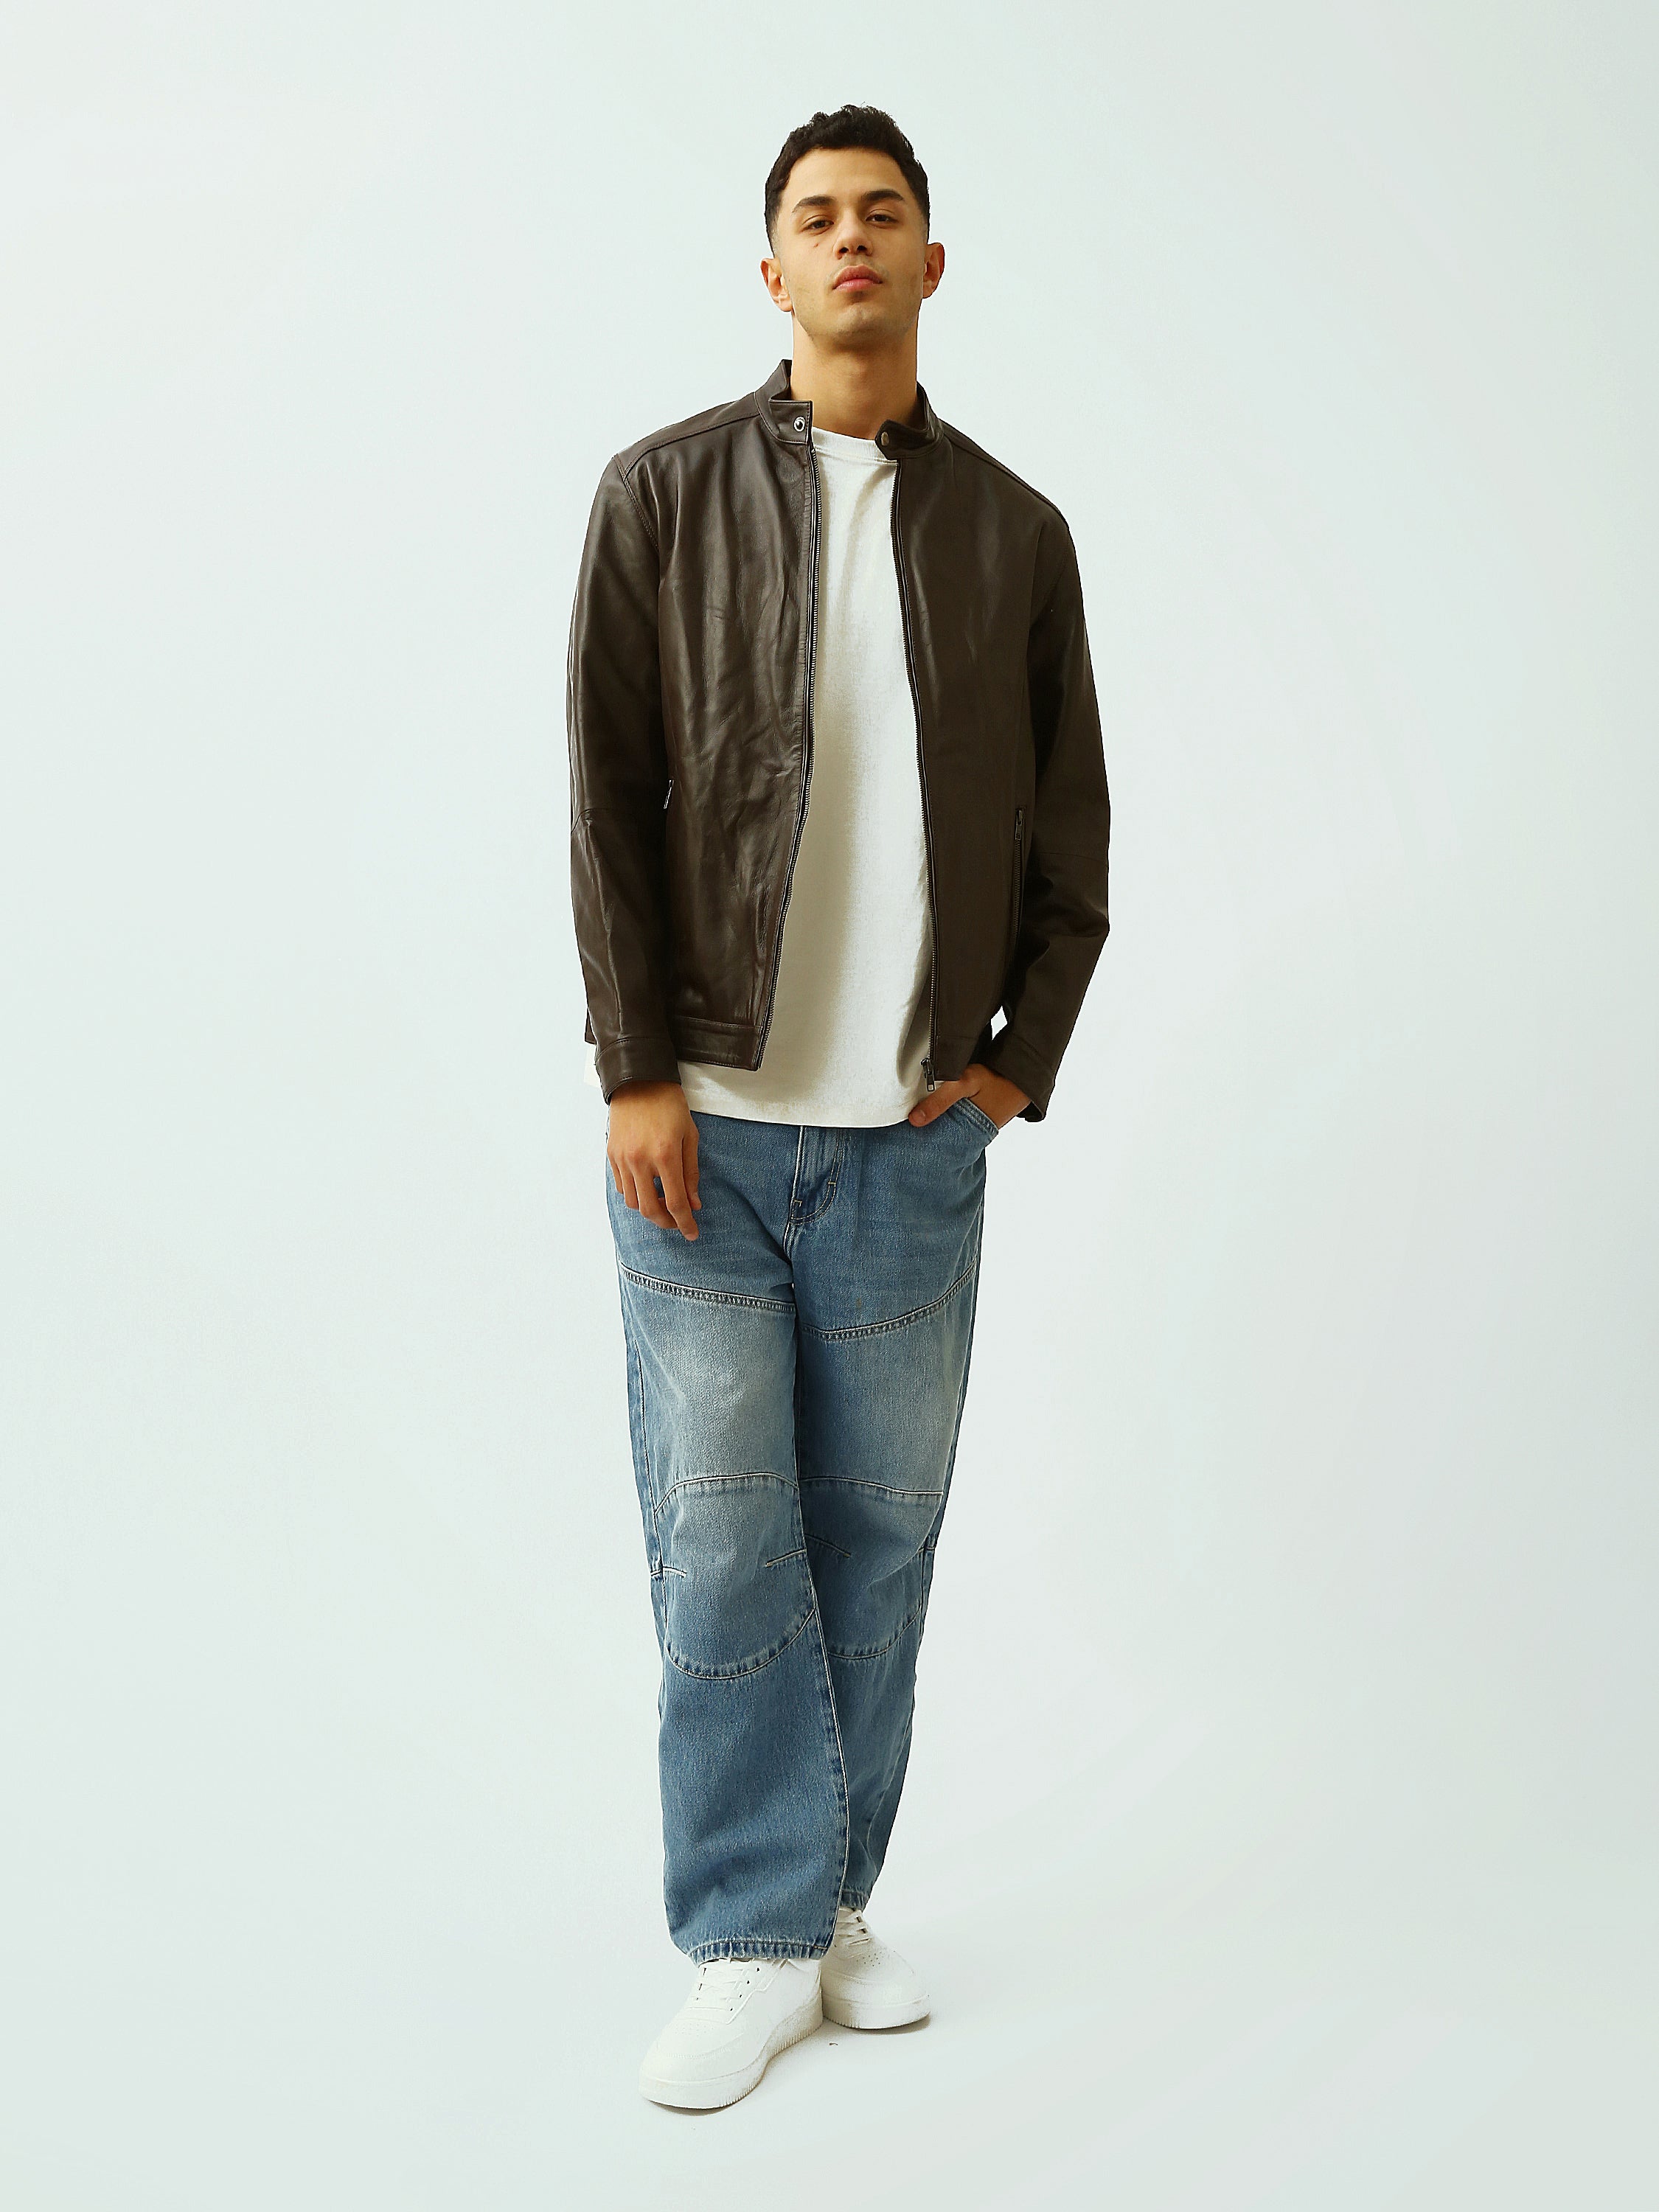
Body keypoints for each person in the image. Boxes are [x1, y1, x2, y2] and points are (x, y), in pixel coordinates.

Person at [566, 103, 1111, 2110]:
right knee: (723, 1545)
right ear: (774, 268)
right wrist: (634, 1066)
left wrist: (1012, 1067)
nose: (852, 238)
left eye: (884, 213)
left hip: (909, 1144)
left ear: (930, 264)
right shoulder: (661, 495)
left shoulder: (1014, 536)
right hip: (701, 1132)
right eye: (818, 216)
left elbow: (1073, 835)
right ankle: (746, 1937)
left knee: (876, 1542)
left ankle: (826, 1906)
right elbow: (606, 797)